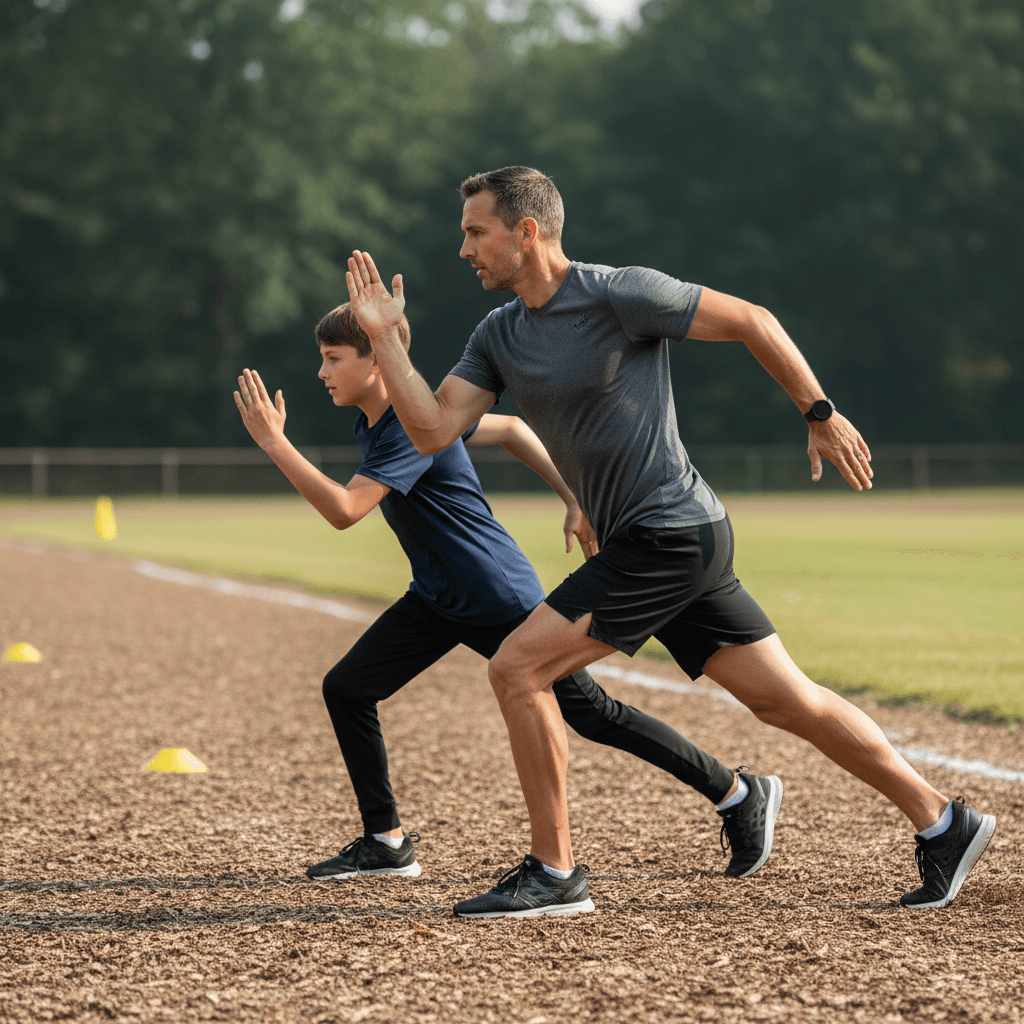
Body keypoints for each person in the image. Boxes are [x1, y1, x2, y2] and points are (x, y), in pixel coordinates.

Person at [343, 165, 996, 917]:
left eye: (475, 232)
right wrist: (387, 338)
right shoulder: (499, 334)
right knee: (789, 703)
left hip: (669, 536)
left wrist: (818, 411)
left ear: (528, 232)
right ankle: (945, 821)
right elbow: (429, 429)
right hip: (667, 539)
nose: (465, 249)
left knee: (518, 669)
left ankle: (554, 874)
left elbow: (751, 318)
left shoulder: (619, 293)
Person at [232, 301, 784, 910]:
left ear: (377, 362)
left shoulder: (402, 431)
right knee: (349, 688)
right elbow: (514, 430)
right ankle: (386, 843)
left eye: (333, 359)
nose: (322, 372)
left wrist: (274, 445)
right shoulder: (399, 421)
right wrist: (573, 497)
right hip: (441, 596)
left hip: (496, 596)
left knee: (594, 715)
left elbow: (345, 511)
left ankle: (737, 791)